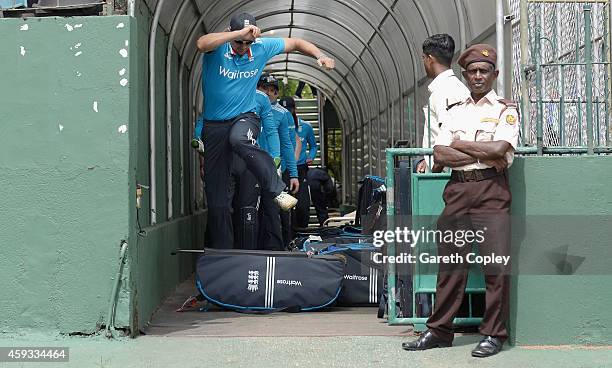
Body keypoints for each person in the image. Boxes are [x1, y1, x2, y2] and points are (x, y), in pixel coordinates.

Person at [402, 44, 520, 358]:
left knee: (496, 267)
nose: (478, 76)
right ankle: (440, 331)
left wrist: (461, 144)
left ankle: (494, 334)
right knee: (451, 265)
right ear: (465, 75)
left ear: (494, 74)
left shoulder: (506, 109)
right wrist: (479, 149)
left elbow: (500, 151)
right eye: (472, 71)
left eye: (484, 71)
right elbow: (439, 154)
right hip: (457, 191)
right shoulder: (455, 110)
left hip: (491, 192)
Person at [196, 12, 335, 249]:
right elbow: (201, 43)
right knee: (218, 206)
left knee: (240, 138)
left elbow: (297, 43)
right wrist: (238, 34)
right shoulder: (218, 47)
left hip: (244, 117)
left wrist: (320, 56)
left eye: (248, 43)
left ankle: (277, 190)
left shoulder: (261, 48)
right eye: (239, 42)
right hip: (214, 125)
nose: (243, 47)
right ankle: (225, 260)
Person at [256, 74, 299, 250]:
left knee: (274, 212)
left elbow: (287, 144)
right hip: (248, 166)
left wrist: (293, 174)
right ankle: (248, 249)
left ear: (277, 94)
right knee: (249, 210)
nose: (268, 93)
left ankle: (276, 250)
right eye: (264, 89)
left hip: (273, 168)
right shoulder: (247, 105)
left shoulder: (283, 114)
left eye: (272, 90)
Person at [416, 34, 470, 173]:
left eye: (423, 58)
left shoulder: (446, 90)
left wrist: (434, 171)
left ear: (430, 59)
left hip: (444, 176)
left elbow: (453, 136)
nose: (424, 63)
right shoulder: (448, 87)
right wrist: (426, 161)